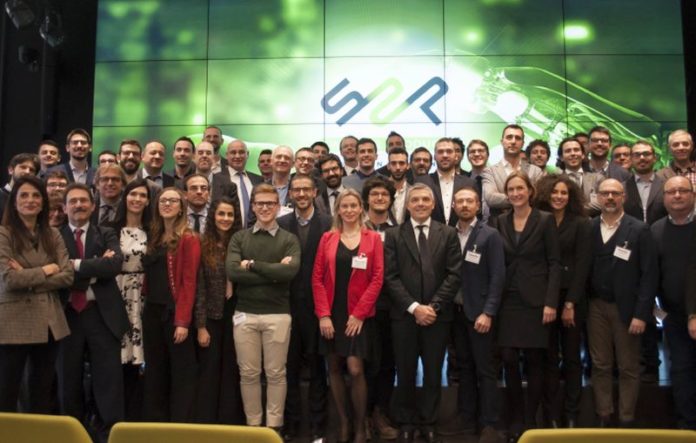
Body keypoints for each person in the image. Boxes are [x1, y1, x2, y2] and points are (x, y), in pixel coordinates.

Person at [384, 183, 461, 443]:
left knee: (433, 371)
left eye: (425, 200)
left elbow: (454, 274)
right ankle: (406, 421)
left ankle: (429, 422)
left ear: (433, 204)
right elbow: (390, 277)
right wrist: (415, 308)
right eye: (415, 199)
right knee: (405, 371)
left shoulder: (448, 233)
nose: (420, 204)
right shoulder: (394, 235)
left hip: (437, 317)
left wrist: (433, 307)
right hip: (404, 316)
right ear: (407, 205)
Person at [226, 183, 300, 432]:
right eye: (260, 204)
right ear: (253, 207)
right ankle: (254, 427)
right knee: (248, 374)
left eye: (270, 203)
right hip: (245, 314)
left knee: (276, 373)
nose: (265, 208)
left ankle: (273, 428)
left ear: (278, 206)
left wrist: (253, 265)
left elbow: (289, 273)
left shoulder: (289, 239)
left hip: (278, 315)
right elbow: (233, 273)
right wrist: (274, 270)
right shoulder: (239, 237)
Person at [492, 172, 561, 441]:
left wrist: (550, 302)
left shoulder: (544, 220)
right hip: (508, 300)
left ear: (530, 191)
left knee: (535, 361)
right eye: (511, 189)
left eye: (520, 188)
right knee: (509, 359)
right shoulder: (500, 221)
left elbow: (554, 263)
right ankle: (516, 418)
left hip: (536, 300)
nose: (516, 193)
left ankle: (531, 419)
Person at [58, 183, 129, 442]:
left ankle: (110, 436)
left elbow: (114, 265)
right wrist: (95, 269)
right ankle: (72, 435)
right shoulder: (54, 236)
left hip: (102, 315)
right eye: (73, 201)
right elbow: (54, 274)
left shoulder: (106, 233)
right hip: (66, 315)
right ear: (64, 207)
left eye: (83, 201)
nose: (78, 205)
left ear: (93, 206)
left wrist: (73, 266)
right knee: (68, 380)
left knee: (108, 382)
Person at [312, 189, 383, 443]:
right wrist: (323, 315)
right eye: (345, 206)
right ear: (338, 210)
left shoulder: (373, 238)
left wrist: (359, 314)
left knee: (355, 368)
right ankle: (343, 423)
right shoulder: (327, 238)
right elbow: (317, 278)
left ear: (361, 208)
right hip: (332, 313)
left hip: (358, 315)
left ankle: (360, 427)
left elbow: (377, 278)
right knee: (333, 367)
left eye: (354, 205)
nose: (350, 210)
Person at [587, 178, 657, 427]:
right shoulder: (589, 227)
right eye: (605, 193)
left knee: (628, 366)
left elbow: (649, 275)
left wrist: (641, 314)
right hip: (595, 306)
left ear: (623, 197)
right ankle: (604, 415)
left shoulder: (639, 229)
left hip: (626, 309)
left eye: (615, 193)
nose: (609, 198)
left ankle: (627, 418)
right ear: (597, 197)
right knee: (600, 364)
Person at [0, 176, 73, 412]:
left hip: (50, 322)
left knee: (41, 393)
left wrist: (27, 275)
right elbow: (9, 280)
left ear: (43, 203)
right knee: (7, 391)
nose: (30, 200)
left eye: (36, 196)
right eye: (24, 195)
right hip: (13, 322)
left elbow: (67, 276)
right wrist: (45, 270)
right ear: (14, 202)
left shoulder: (53, 234)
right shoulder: (4, 235)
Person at [442, 187, 505, 443]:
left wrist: (488, 312)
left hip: (479, 314)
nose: (465, 205)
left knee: (485, 369)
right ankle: (466, 417)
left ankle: (489, 423)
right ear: (454, 206)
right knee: (464, 367)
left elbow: (498, 276)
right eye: (460, 201)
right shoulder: (448, 234)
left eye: (470, 201)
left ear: (478, 206)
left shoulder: (490, 235)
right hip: (456, 313)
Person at [533, 175, 591, 428]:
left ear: (571, 196)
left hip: (571, 299)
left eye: (564, 193)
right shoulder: (538, 220)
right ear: (546, 194)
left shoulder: (581, 223)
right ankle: (551, 415)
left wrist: (570, 304)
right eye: (554, 192)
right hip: (544, 297)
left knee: (571, 358)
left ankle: (571, 414)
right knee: (548, 358)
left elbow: (583, 265)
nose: (559, 197)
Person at [278, 175, 332, 441]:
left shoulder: (329, 223)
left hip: (318, 308)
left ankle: (318, 428)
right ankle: (291, 425)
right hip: (286, 306)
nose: (301, 194)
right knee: (288, 369)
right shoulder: (280, 224)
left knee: (318, 369)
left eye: (305, 189)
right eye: (296, 190)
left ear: (314, 193)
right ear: (290, 194)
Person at [142, 187, 201, 422]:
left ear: (181, 208)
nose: (167, 204)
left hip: (174, 313)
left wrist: (183, 321)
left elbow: (189, 282)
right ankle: (157, 423)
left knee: (181, 372)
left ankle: (180, 423)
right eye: (163, 201)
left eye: (173, 201)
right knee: (155, 371)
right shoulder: (154, 235)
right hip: (152, 312)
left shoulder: (189, 238)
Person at [194, 197, 244, 424]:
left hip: (237, 316)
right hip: (211, 317)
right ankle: (207, 424)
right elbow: (200, 288)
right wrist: (201, 325)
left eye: (230, 215)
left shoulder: (242, 243)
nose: (225, 219)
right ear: (213, 216)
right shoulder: (203, 244)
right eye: (221, 214)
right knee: (210, 371)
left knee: (232, 370)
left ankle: (229, 422)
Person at [652, 176, 696, 429]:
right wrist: (660, 313)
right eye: (671, 192)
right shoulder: (656, 230)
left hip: (694, 313)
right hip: (674, 316)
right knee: (680, 370)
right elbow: (651, 275)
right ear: (664, 197)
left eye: (683, 190)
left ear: (692, 195)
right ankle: (687, 427)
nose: (677, 195)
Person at [107, 178, 151, 421]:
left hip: (143, 296)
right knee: (116, 358)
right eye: (133, 194)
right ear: (125, 198)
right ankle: (115, 417)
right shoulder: (109, 229)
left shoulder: (153, 230)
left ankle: (136, 416)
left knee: (140, 358)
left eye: (142, 195)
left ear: (148, 201)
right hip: (117, 294)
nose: (137, 199)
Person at [482, 125, 543, 216]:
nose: (513, 141)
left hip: (530, 222)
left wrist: (506, 199)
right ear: (502, 142)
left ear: (522, 143)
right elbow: (491, 198)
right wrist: (524, 198)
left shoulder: (535, 171)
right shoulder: (490, 171)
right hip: (499, 223)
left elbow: (539, 198)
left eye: (518, 138)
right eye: (509, 137)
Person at [416, 138, 475, 227]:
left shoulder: (469, 183)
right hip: (431, 233)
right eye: (440, 152)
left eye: (449, 151)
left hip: (461, 233)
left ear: (456, 156)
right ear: (434, 157)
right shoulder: (422, 182)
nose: (445, 155)